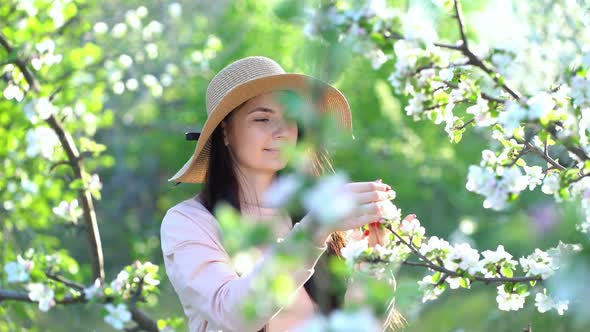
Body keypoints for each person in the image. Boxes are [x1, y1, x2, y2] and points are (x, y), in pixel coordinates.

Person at [160, 56, 404, 332]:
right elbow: (232, 315)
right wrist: (315, 229)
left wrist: (375, 263)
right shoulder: (189, 222)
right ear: (225, 132)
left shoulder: (316, 211)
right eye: (262, 118)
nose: (281, 131)